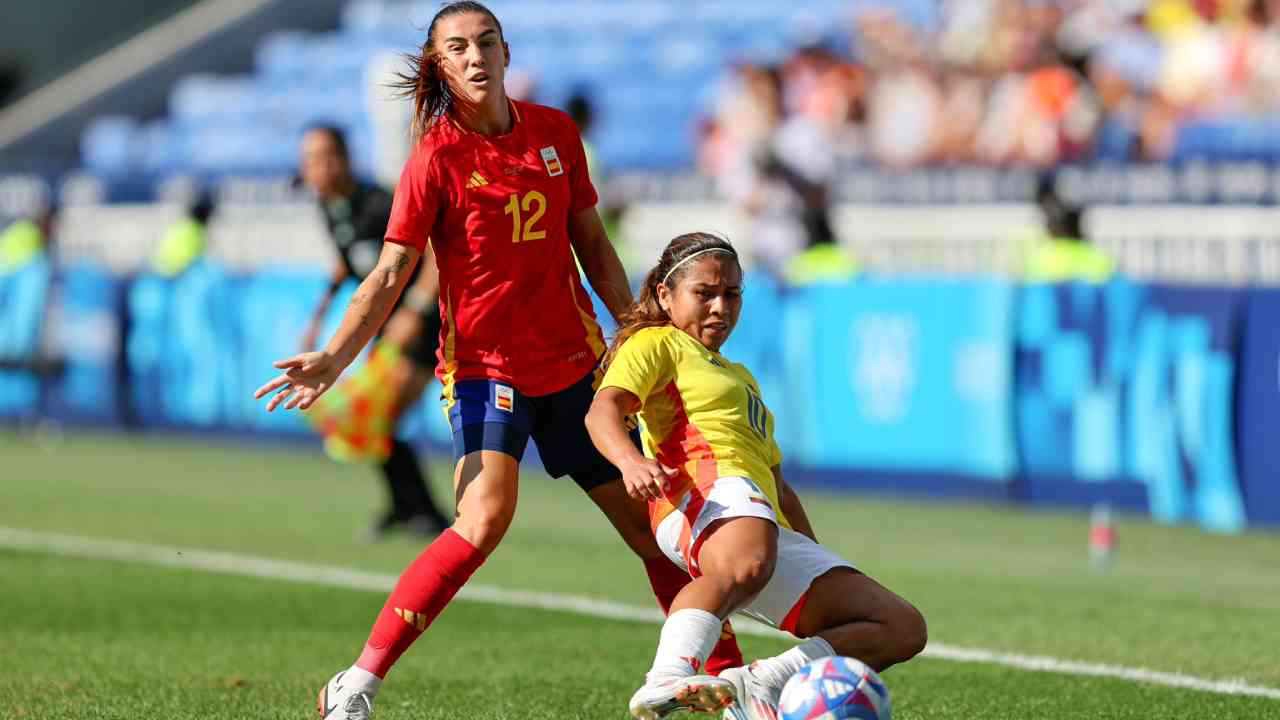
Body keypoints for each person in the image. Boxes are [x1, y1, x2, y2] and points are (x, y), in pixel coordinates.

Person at [252, 4, 757, 717]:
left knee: (657, 533)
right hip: (488, 370)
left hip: (578, 369)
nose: (474, 56)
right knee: (483, 521)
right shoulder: (436, 154)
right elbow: (393, 270)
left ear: (506, 50)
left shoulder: (555, 133)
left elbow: (593, 244)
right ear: (440, 65)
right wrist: (337, 356)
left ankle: (727, 683)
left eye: (485, 41)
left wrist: (637, 332)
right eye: (456, 47)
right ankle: (356, 683)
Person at [585, 233, 928, 719]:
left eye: (732, 294)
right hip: (701, 495)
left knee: (898, 626)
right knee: (743, 564)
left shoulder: (741, 376)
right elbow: (603, 410)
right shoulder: (657, 342)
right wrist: (630, 461)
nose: (720, 307)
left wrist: (814, 555)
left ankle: (758, 683)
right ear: (665, 295)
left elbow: (778, 484)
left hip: (756, 515)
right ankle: (664, 680)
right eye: (704, 293)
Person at [296, 123, 452, 539]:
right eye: (310, 159)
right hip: (387, 326)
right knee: (374, 421)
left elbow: (436, 249)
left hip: (428, 321)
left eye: (326, 155)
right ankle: (412, 509)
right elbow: (350, 260)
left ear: (346, 158)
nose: (318, 167)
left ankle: (425, 513)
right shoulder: (330, 208)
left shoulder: (381, 202)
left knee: (380, 417)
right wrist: (320, 313)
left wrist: (415, 310)